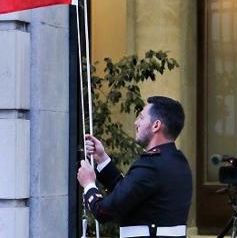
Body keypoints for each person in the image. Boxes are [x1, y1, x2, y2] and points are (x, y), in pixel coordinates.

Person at [77, 96, 192, 238]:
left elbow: (103, 211)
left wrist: (88, 184)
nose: (136, 122)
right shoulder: (179, 162)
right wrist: (102, 159)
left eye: (141, 118)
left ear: (156, 125)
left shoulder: (151, 165)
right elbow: (127, 194)